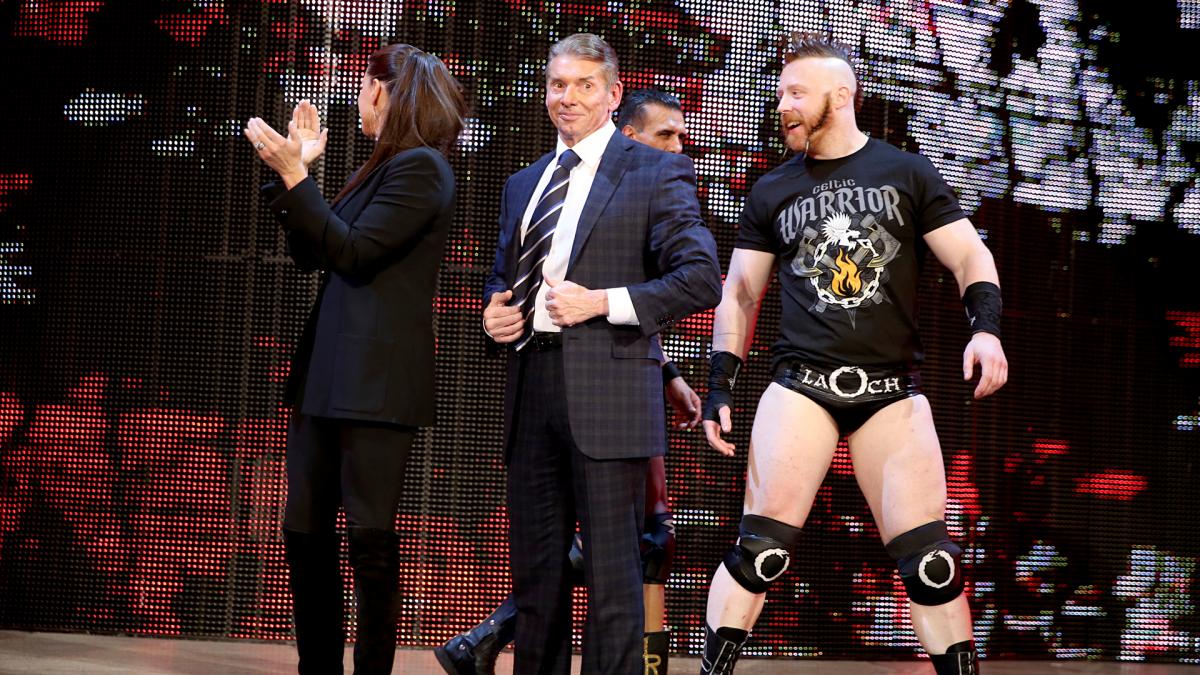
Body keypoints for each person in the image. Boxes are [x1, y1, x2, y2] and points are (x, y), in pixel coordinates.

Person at [699, 32, 1007, 675]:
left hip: (891, 389)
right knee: (761, 551)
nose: (781, 105)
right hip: (801, 384)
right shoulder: (772, 189)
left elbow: (969, 257)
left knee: (932, 563)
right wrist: (720, 384)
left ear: (839, 96)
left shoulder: (905, 172)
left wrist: (986, 330)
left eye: (795, 93)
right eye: (780, 93)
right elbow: (741, 295)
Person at [436, 88, 699, 675]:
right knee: (539, 579)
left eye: (584, 84)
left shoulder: (658, 173)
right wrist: (493, 314)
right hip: (532, 384)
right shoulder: (525, 182)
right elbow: (505, 277)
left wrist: (603, 303)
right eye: (558, 84)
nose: (568, 96)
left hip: (610, 392)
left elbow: (698, 277)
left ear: (611, 95)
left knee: (615, 577)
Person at [243, 43, 467, 675]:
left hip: (376, 384)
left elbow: (355, 252)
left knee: (368, 539)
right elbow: (315, 251)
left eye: (364, 85)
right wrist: (297, 174)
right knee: (304, 531)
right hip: (327, 376)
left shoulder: (423, 168)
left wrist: (297, 178)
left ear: (384, 93)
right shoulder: (382, 165)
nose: (358, 99)